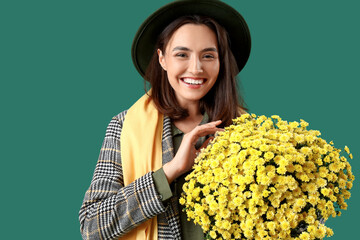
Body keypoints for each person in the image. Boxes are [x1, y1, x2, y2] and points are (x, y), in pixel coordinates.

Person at [79, 0, 251, 239]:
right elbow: (93, 226)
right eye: (182, 54)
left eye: (208, 56)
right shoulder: (124, 126)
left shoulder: (246, 130)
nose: (196, 68)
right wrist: (170, 171)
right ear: (162, 59)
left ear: (221, 63)